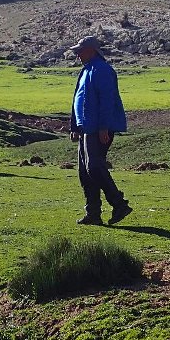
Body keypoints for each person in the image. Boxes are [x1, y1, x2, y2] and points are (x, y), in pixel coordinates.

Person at [68, 35, 131, 226]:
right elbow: (78, 100)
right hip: (86, 127)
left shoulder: (102, 70)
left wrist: (104, 126)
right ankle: (93, 213)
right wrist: (75, 126)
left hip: (97, 128)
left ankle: (118, 203)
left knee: (94, 167)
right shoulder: (87, 70)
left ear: (91, 50)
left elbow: (106, 101)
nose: (78, 54)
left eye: (80, 50)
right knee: (85, 172)